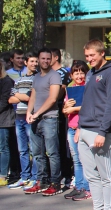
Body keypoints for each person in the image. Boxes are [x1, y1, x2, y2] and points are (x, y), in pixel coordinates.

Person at [77, 39, 111, 210]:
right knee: (91, 176)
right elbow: (87, 101)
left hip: (100, 131)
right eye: (87, 56)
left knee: (105, 176)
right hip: (85, 129)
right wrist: (79, 127)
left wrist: (102, 132)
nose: (89, 59)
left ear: (102, 53)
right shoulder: (90, 73)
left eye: (92, 55)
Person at [24, 48, 63, 196]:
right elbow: (33, 97)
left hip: (49, 119)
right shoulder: (37, 77)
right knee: (37, 153)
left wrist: (37, 113)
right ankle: (41, 181)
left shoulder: (54, 76)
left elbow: (53, 99)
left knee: (52, 152)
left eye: (48, 58)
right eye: (43, 58)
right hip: (36, 119)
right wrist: (29, 112)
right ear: (39, 59)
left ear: (51, 59)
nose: (45, 61)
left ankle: (55, 183)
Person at [7, 52, 39, 190]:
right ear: (26, 63)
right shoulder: (19, 80)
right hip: (18, 117)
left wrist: (19, 95)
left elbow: (30, 97)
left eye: (36, 61)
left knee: (34, 149)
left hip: (30, 117)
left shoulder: (38, 78)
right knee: (22, 150)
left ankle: (35, 177)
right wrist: (23, 96)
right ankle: (25, 177)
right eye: (32, 61)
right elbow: (11, 99)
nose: (34, 64)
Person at [61, 61, 91, 201]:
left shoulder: (88, 87)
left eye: (82, 72)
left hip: (83, 127)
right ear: (71, 75)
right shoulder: (70, 89)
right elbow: (65, 111)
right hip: (71, 128)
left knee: (85, 159)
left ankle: (87, 188)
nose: (79, 76)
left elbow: (89, 106)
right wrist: (66, 107)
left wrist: (73, 109)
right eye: (76, 73)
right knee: (76, 160)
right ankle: (78, 186)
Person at [51, 48, 73, 188]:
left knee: (64, 143)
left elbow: (61, 91)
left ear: (55, 58)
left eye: (49, 57)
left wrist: (51, 97)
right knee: (55, 145)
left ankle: (67, 174)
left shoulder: (63, 72)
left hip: (61, 110)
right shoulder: (47, 73)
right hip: (50, 112)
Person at [0, 64, 16, 186]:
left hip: (4, 120)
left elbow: (4, 101)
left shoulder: (6, 81)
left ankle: (3, 175)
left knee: (3, 148)